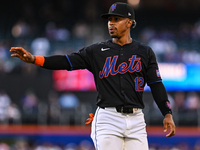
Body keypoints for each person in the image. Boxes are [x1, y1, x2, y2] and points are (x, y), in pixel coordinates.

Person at [10, 2, 175, 150]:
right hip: (109, 118)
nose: (111, 23)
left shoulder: (145, 52)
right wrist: (34, 59)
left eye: (116, 19)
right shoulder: (96, 51)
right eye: (109, 19)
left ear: (129, 22)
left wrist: (167, 113)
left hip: (137, 119)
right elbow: (67, 61)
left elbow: (156, 84)